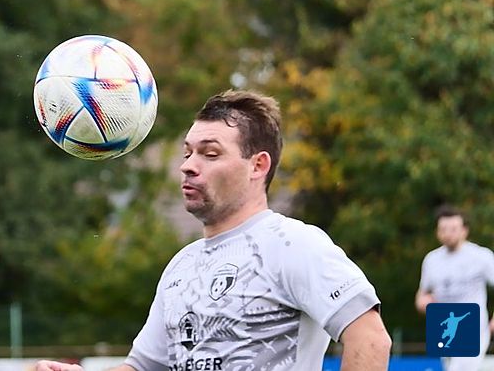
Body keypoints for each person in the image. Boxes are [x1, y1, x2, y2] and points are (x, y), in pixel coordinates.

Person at [36, 89, 391, 371]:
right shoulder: (181, 266)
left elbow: (371, 339)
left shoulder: (293, 244)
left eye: (209, 154)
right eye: (187, 153)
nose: (188, 166)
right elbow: (144, 367)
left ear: (258, 166)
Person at [416, 207, 494, 371]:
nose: (448, 234)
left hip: (473, 326)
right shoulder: (431, 260)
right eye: (443, 229)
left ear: (464, 230)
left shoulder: (481, 256)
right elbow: (422, 295)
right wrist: (424, 303)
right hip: (443, 326)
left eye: (453, 229)